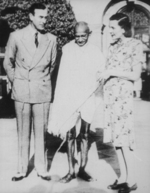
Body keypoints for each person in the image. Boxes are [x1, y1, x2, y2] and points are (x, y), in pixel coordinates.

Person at [3, 3, 57, 181]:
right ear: (31, 16)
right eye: (41, 17)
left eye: (46, 17)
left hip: (41, 90)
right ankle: (21, 169)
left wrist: (38, 81)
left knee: (41, 132)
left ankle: (42, 169)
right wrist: (17, 81)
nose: (44, 20)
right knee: (23, 132)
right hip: (22, 91)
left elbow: (52, 66)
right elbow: (8, 63)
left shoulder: (51, 39)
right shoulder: (16, 36)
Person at [48, 21, 105, 183]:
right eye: (77, 36)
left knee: (85, 134)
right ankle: (71, 171)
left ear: (89, 34)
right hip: (70, 98)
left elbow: (100, 72)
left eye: (83, 36)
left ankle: (82, 169)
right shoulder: (67, 49)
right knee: (70, 134)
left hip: (87, 97)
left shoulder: (95, 51)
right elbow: (62, 77)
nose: (80, 39)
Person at [99, 13, 143, 193]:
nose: (110, 31)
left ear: (123, 28)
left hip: (122, 99)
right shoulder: (112, 47)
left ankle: (131, 180)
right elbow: (107, 69)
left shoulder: (136, 45)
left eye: (113, 28)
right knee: (115, 140)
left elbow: (135, 74)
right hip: (110, 99)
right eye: (109, 27)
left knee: (124, 140)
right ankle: (123, 177)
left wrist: (112, 71)